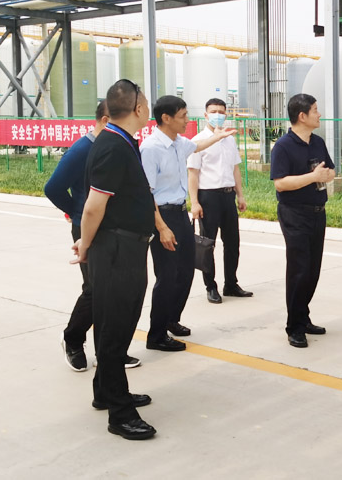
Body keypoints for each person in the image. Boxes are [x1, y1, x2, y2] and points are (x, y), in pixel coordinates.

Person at [72, 79, 164, 441]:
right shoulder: (113, 146)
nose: (148, 108)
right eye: (146, 103)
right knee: (114, 330)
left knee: (119, 325)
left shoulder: (121, 141)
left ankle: (106, 392)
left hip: (126, 247)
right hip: (115, 250)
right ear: (138, 109)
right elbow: (93, 207)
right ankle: (120, 414)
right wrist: (85, 246)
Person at [45, 102, 143, 372]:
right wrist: (75, 211)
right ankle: (73, 339)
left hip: (114, 227)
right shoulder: (83, 149)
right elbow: (53, 188)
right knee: (95, 290)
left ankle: (108, 352)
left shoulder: (119, 146)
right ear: (105, 120)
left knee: (115, 291)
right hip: (88, 226)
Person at [140, 95, 235, 352]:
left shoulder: (178, 142)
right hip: (163, 216)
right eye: (182, 116)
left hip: (181, 214)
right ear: (166, 118)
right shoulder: (151, 148)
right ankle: (156, 335)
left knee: (185, 271)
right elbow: (147, 193)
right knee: (167, 276)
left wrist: (218, 137)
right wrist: (161, 228)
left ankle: (172, 319)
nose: (186, 120)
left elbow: (198, 145)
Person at [270, 93, 335, 348]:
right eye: (315, 110)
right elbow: (281, 183)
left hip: (318, 212)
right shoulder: (283, 146)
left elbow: (330, 170)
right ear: (302, 116)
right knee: (299, 270)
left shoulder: (317, 142)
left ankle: (303, 317)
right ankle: (294, 327)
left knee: (312, 270)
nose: (319, 114)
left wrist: (326, 175)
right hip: (294, 213)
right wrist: (313, 177)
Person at [188, 98, 252, 304]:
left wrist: (240, 195)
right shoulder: (198, 141)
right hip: (208, 196)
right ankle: (211, 286)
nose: (218, 115)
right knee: (208, 244)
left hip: (228, 195)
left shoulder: (229, 139)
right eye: (214, 111)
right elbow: (193, 174)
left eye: (222, 112)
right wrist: (195, 202)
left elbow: (235, 169)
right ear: (206, 115)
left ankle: (231, 284)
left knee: (233, 243)